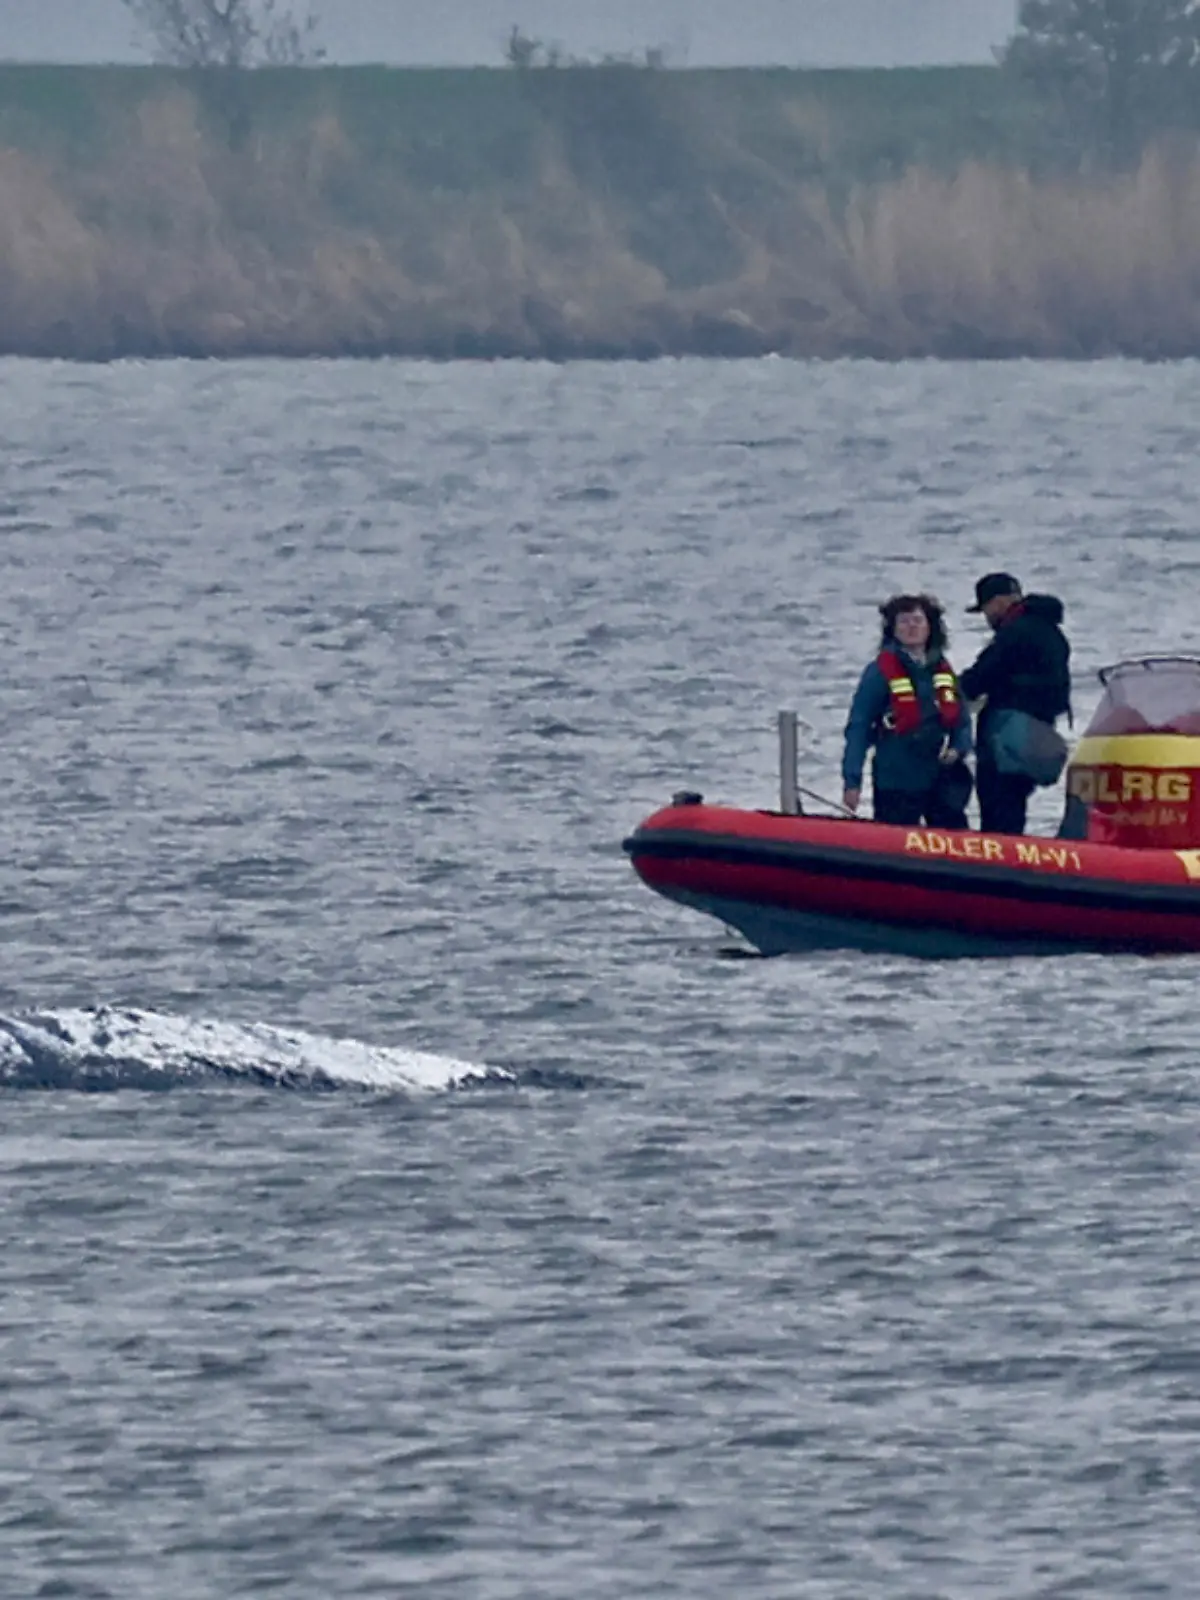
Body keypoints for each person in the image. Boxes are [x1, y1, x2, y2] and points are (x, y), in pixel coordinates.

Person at [842, 593, 974, 827]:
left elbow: (962, 720)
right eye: (903, 621)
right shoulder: (879, 671)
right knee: (893, 834)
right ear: (892, 628)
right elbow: (859, 726)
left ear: (930, 627)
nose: (911, 627)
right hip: (896, 777)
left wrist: (958, 748)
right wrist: (852, 781)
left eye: (917, 620)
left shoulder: (942, 670)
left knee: (953, 830)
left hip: (940, 777)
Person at [958, 572, 1071, 836]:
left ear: (999, 602)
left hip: (1007, 736)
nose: (987, 617)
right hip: (1038, 734)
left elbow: (979, 678)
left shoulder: (1014, 632)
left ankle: (996, 856)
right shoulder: (1052, 632)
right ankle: (1014, 853)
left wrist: (944, 689)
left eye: (986, 608)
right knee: (1015, 805)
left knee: (999, 807)